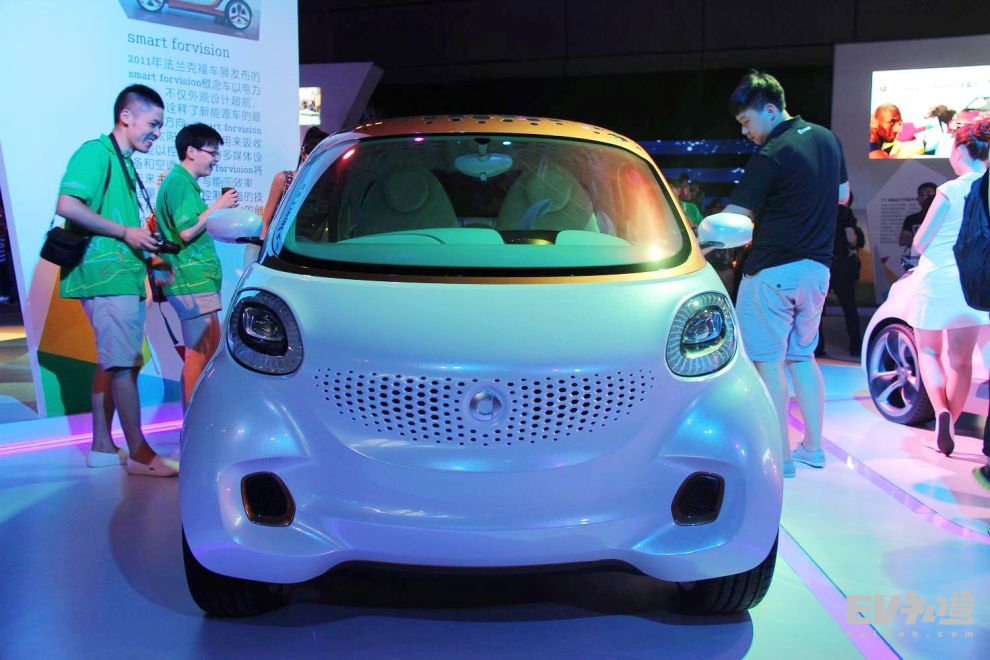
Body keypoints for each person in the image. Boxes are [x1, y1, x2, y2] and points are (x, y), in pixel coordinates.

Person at [718, 70, 849, 478]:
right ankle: (813, 448)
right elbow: (843, 195)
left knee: (767, 363)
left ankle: (781, 458)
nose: (746, 132)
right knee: (803, 358)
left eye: (746, 122)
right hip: (817, 271)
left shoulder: (772, 152)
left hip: (772, 271)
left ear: (771, 110)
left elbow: (734, 219)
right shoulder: (828, 139)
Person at [55, 84, 178, 476]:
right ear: (126, 116)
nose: (157, 133)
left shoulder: (123, 162)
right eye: (153, 124)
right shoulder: (96, 153)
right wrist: (126, 233)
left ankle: (103, 447)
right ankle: (141, 455)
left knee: (114, 362)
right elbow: (67, 205)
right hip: (105, 278)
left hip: (121, 277)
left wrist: (150, 256)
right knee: (123, 364)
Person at [910, 121, 990, 457]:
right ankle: (951, 426)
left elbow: (920, 242)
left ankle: (940, 413)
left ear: (960, 150)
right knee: (962, 362)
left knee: (929, 352)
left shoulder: (950, 190)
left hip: (938, 279)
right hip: (974, 283)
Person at [153, 123, 238, 410]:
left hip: (197, 281)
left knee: (207, 351)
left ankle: (201, 417)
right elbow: (187, 230)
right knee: (197, 354)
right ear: (191, 151)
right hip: (191, 281)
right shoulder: (178, 182)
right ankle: (192, 422)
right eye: (212, 152)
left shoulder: (182, 182)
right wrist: (218, 206)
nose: (216, 159)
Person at [260, 126, 328, 237]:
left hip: (315, 244)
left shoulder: (328, 184)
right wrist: (262, 244)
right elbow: (265, 222)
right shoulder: (284, 179)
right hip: (281, 243)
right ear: (303, 154)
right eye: (318, 156)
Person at [830, 192, 865, 355]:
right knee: (849, 307)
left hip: (820, 263)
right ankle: (855, 346)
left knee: (816, 309)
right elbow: (851, 238)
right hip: (840, 263)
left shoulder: (819, 209)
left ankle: (817, 348)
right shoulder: (844, 212)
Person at [900, 182, 938, 249]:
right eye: (922, 195)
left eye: (928, 194)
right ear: (918, 199)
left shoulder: (947, 216)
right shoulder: (911, 219)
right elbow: (902, 240)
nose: (925, 198)